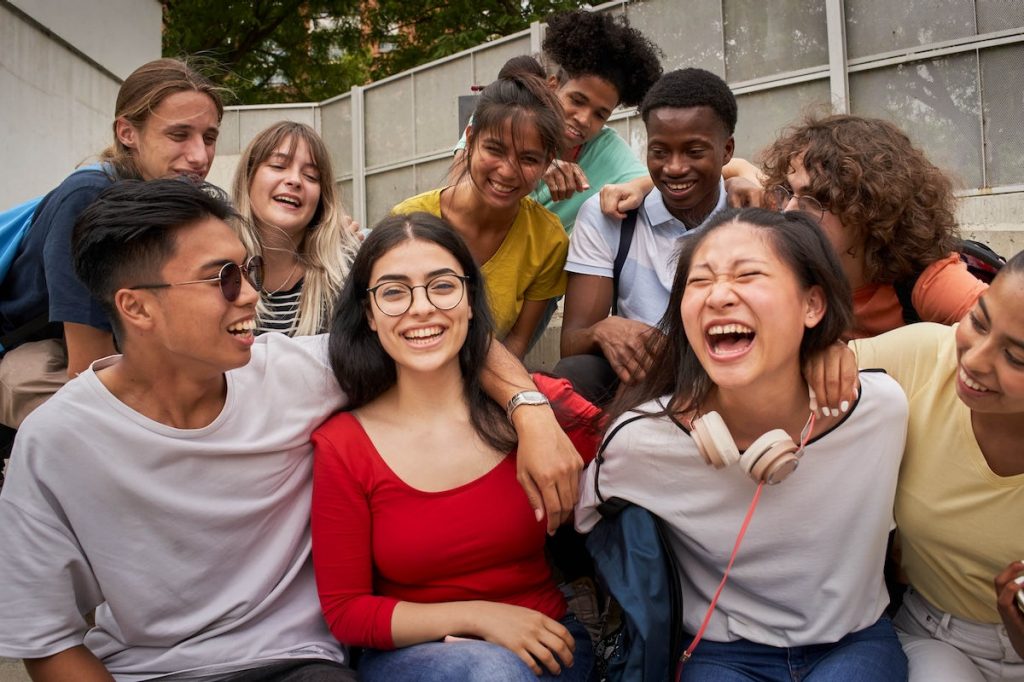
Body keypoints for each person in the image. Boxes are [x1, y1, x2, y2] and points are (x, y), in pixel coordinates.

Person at [0, 179, 585, 681]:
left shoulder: (293, 372)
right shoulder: (56, 442)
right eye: (222, 278)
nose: (252, 295)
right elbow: (43, 636)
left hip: (296, 662)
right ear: (137, 308)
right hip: (146, 670)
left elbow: (437, 329)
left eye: (248, 271)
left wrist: (530, 409)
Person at [576, 208, 910, 681]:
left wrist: (838, 349)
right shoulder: (641, 440)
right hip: (719, 655)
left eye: (749, 275)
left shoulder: (880, 411)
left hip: (853, 643)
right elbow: (584, 521)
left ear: (812, 305)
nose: (719, 296)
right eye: (699, 281)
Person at [311, 212, 601, 681]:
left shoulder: (531, 413)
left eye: (442, 286)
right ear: (368, 314)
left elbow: (644, 447)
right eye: (393, 292)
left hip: (549, 646)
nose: (421, 307)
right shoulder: (343, 445)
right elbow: (346, 611)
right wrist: (480, 616)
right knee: (489, 671)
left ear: (469, 300)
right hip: (415, 658)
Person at [810, 250, 1024, 681]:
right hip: (937, 639)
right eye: (979, 322)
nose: (976, 360)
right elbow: (789, 378)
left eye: (1017, 357)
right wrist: (824, 355)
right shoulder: (925, 357)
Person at [0, 57, 224, 429]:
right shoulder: (88, 199)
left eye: (209, 137)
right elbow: (85, 370)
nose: (200, 156)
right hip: (34, 363)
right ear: (127, 132)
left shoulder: (174, 203)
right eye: (178, 135)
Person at [556, 68, 736, 405]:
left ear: (727, 152)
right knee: (575, 374)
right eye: (660, 151)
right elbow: (572, 340)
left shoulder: (753, 216)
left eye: (694, 151)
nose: (674, 167)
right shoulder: (609, 216)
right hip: (642, 379)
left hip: (733, 371)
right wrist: (603, 330)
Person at [759, 113, 987, 339]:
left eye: (814, 199)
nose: (789, 210)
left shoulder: (927, 283)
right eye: (788, 192)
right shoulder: (791, 272)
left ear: (867, 209)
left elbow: (1011, 330)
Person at [394, 65, 568, 359]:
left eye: (528, 158)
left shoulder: (548, 242)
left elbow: (515, 346)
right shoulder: (408, 220)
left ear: (547, 161)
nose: (507, 171)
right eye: (495, 150)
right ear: (470, 139)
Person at [232, 121, 359, 336]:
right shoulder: (215, 268)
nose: (294, 180)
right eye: (278, 166)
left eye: (311, 176)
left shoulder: (348, 272)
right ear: (248, 177)